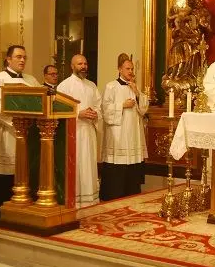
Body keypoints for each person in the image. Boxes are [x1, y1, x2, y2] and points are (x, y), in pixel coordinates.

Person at [0, 45, 39, 228]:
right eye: (18, 57)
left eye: (24, 57)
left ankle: (22, 220)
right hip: (5, 135)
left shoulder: (31, 80)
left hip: (28, 136)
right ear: (8, 59)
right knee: (4, 181)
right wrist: (21, 123)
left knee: (23, 178)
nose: (22, 60)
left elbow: (40, 103)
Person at [101, 53, 148, 200]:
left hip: (133, 134)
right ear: (120, 69)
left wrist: (137, 93)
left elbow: (143, 109)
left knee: (132, 167)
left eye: (132, 69)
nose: (131, 71)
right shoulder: (111, 86)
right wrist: (122, 105)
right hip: (118, 134)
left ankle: (131, 194)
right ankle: (113, 195)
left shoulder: (134, 87)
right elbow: (105, 109)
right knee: (118, 167)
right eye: (128, 68)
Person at [57, 54, 102, 208]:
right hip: (73, 132)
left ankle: (90, 201)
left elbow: (98, 106)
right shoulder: (64, 86)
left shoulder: (92, 85)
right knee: (76, 165)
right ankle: (73, 202)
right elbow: (58, 109)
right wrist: (78, 114)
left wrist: (95, 113)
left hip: (88, 131)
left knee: (88, 165)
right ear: (72, 66)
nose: (83, 66)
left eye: (85, 63)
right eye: (80, 64)